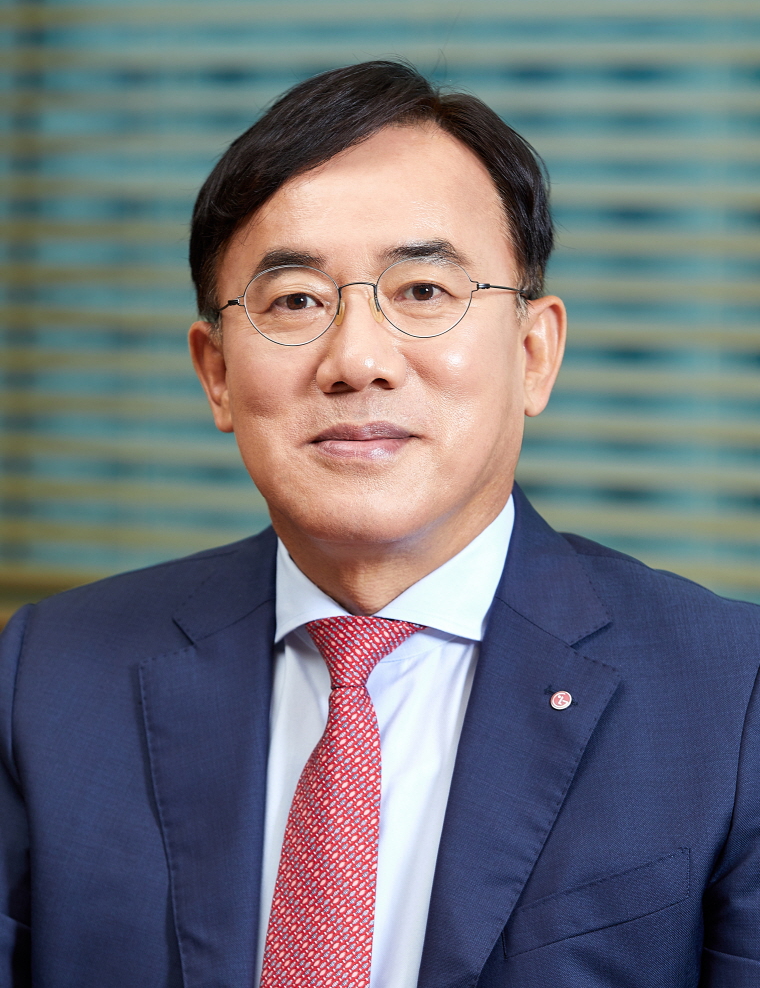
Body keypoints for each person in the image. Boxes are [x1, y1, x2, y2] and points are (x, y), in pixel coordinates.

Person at [1, 60, 758, 988]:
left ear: (534, 354)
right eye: (295, 301)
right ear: (217, 374)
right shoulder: (47, 679)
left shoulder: (732, 698)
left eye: (424, 291)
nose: (357, 360)